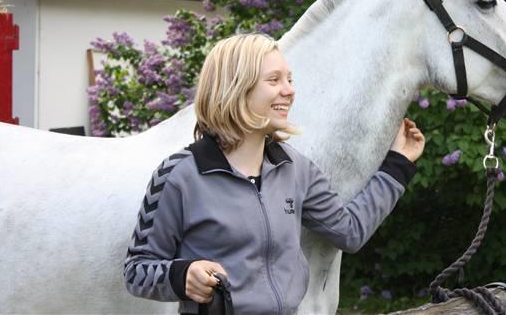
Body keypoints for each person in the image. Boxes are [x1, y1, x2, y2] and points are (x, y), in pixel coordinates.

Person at [123, 33, 425, 314]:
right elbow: (137, 270)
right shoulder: (179, 175)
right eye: (274, 79)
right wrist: (183, 274)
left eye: (290, 79)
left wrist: (398, 164)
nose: (289, 90)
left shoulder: (296, 169)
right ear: (236, 87)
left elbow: (350, 231)